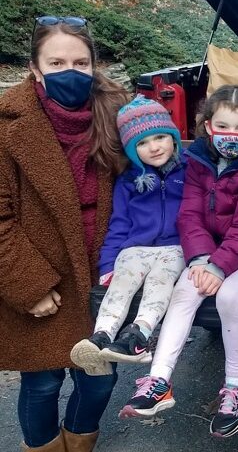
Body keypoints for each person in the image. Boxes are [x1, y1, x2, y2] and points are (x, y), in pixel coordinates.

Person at [0, 16, 129, 451]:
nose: (69, 71)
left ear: (94, 66)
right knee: (42, 384)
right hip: (44, 277)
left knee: (98, 380)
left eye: (80, 62)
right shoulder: (7, 126)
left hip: (102, 275)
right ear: (35, 69)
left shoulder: (116, 116)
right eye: (56, 62)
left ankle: (80, 443)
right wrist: (29, 285)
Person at [118, 85, 238, 441]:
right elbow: (189, 214)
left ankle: (237, 385)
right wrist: (202, 260)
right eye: (223, 126)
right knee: (184, 292)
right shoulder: (199, 159)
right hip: (209, 251)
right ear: (207, 127)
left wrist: (218, 266)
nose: (231, 136)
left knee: (230, 298)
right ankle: (159, 380)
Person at [70, 96, 185, 375]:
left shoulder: (189, 171)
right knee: (122, 281)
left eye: (160, 137)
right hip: (136, 247)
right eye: (142, 143)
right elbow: (119, 224)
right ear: (132, 151)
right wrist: (107, 264)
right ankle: (101, 336)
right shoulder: (129, 181)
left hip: (175, 247)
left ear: (174, 137)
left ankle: (138, 335)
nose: (154, 147)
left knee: (161, 282)